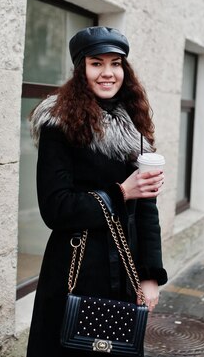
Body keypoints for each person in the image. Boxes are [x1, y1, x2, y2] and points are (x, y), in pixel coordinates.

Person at [26, 26, 168, 357]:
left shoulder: (133, 123)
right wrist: (120, 193)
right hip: (76, 268)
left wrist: (150, 277)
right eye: (96, 63)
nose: (107, 73)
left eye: (115, 63)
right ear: (81, 70)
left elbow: (147, 210)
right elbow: (55, 208)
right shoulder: (58, 125)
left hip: (126, 268)